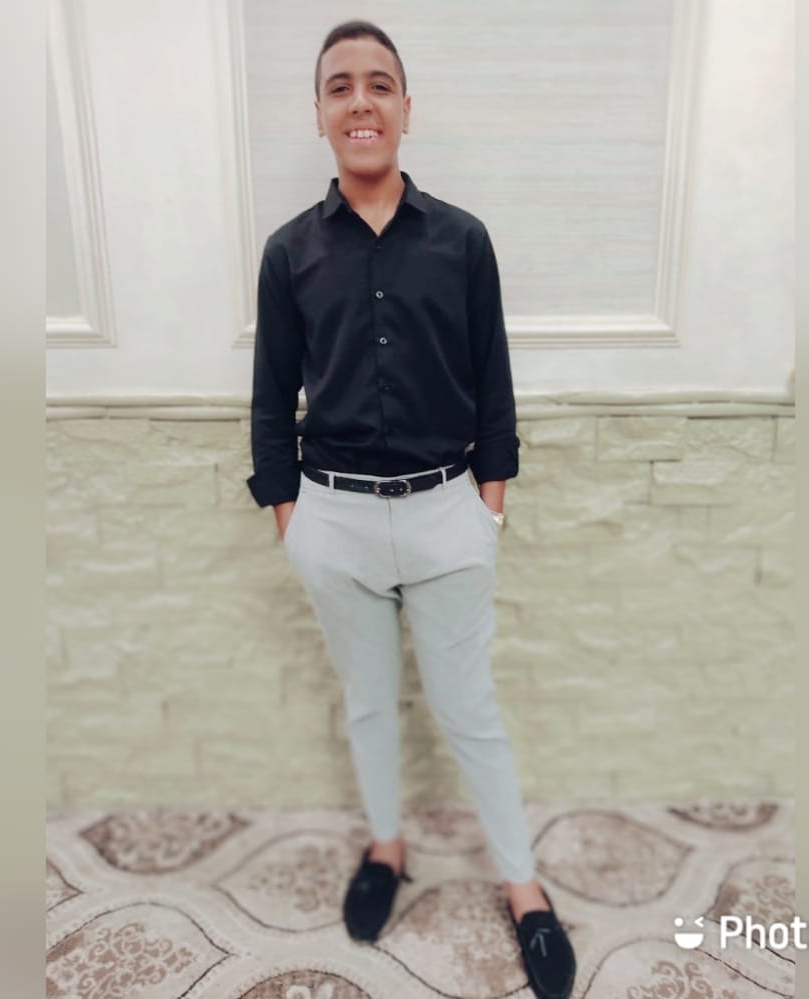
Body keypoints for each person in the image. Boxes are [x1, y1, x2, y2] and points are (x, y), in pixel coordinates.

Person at [246, 20, 576, 999]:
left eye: (379, 83)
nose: (361, 101)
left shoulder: (461, 241)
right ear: (318, 113)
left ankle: (523, 886)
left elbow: (493, 380)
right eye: (339, 86)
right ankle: (386, 847)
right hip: (333, 520)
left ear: (404, 108)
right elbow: (269, 398)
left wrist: (488, 510)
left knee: (469, 711)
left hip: (446, 516)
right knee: (368, 701)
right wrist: (292, 523)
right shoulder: (289, 252)